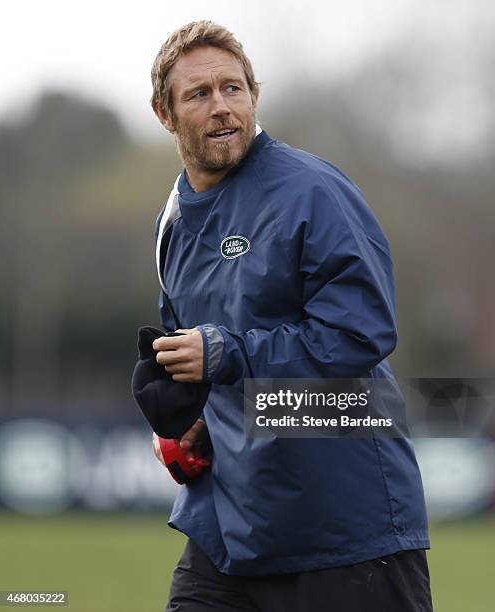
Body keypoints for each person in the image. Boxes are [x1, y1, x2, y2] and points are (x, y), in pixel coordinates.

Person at [149, 20, 433, 612]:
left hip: (344, 532)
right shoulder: (173, 222)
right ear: (165, 114)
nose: (222, 107)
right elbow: (197, 350)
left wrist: (230, 355)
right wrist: (191, 420)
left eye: (234, 88)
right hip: (229, 528)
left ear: (255, 96)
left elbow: (360, 334)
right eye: (199, 94)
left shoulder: (312, 191)